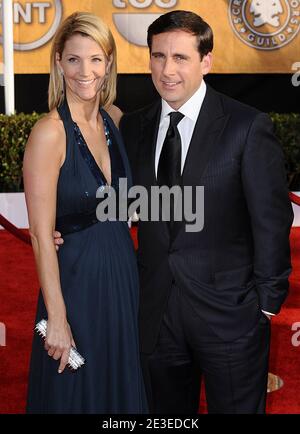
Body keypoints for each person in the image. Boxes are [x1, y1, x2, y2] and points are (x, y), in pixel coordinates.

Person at [55, 10, 293, 414]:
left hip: (230, 318)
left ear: (206, 61)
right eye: (159, 56)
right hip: (155, 316)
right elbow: (120, 202)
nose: (167, 70)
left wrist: (265, 303)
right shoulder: (132, 128)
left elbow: (272, 219)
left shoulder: (246, 126)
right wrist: (71, 229)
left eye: (180, 57)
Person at [24, 11, 147, 414]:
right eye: (74, 59)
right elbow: (42, 236)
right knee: (76, 393)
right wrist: (57, 318)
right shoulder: (49, 133)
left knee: (119, 384)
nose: (85, 70)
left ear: (109, 63)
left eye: (95, 59)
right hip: (76, 282)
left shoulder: (115, 120)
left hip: (122, 276)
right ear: (58, 61)